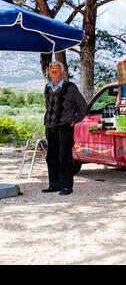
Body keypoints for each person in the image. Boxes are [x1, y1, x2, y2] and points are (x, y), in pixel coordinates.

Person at [42, 61, 87, 195]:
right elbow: (49, 107)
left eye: (57, 71)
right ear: (49, 73)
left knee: (64, 156)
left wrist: (76, 119)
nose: (54, 73)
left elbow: (83, 106)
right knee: (51, 157)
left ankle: (66, 186)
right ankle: (54, 184)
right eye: (52, 71)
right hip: (50, 127)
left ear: (63, 73)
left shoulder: (70, 87)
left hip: (65, 127)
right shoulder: (47, 87)